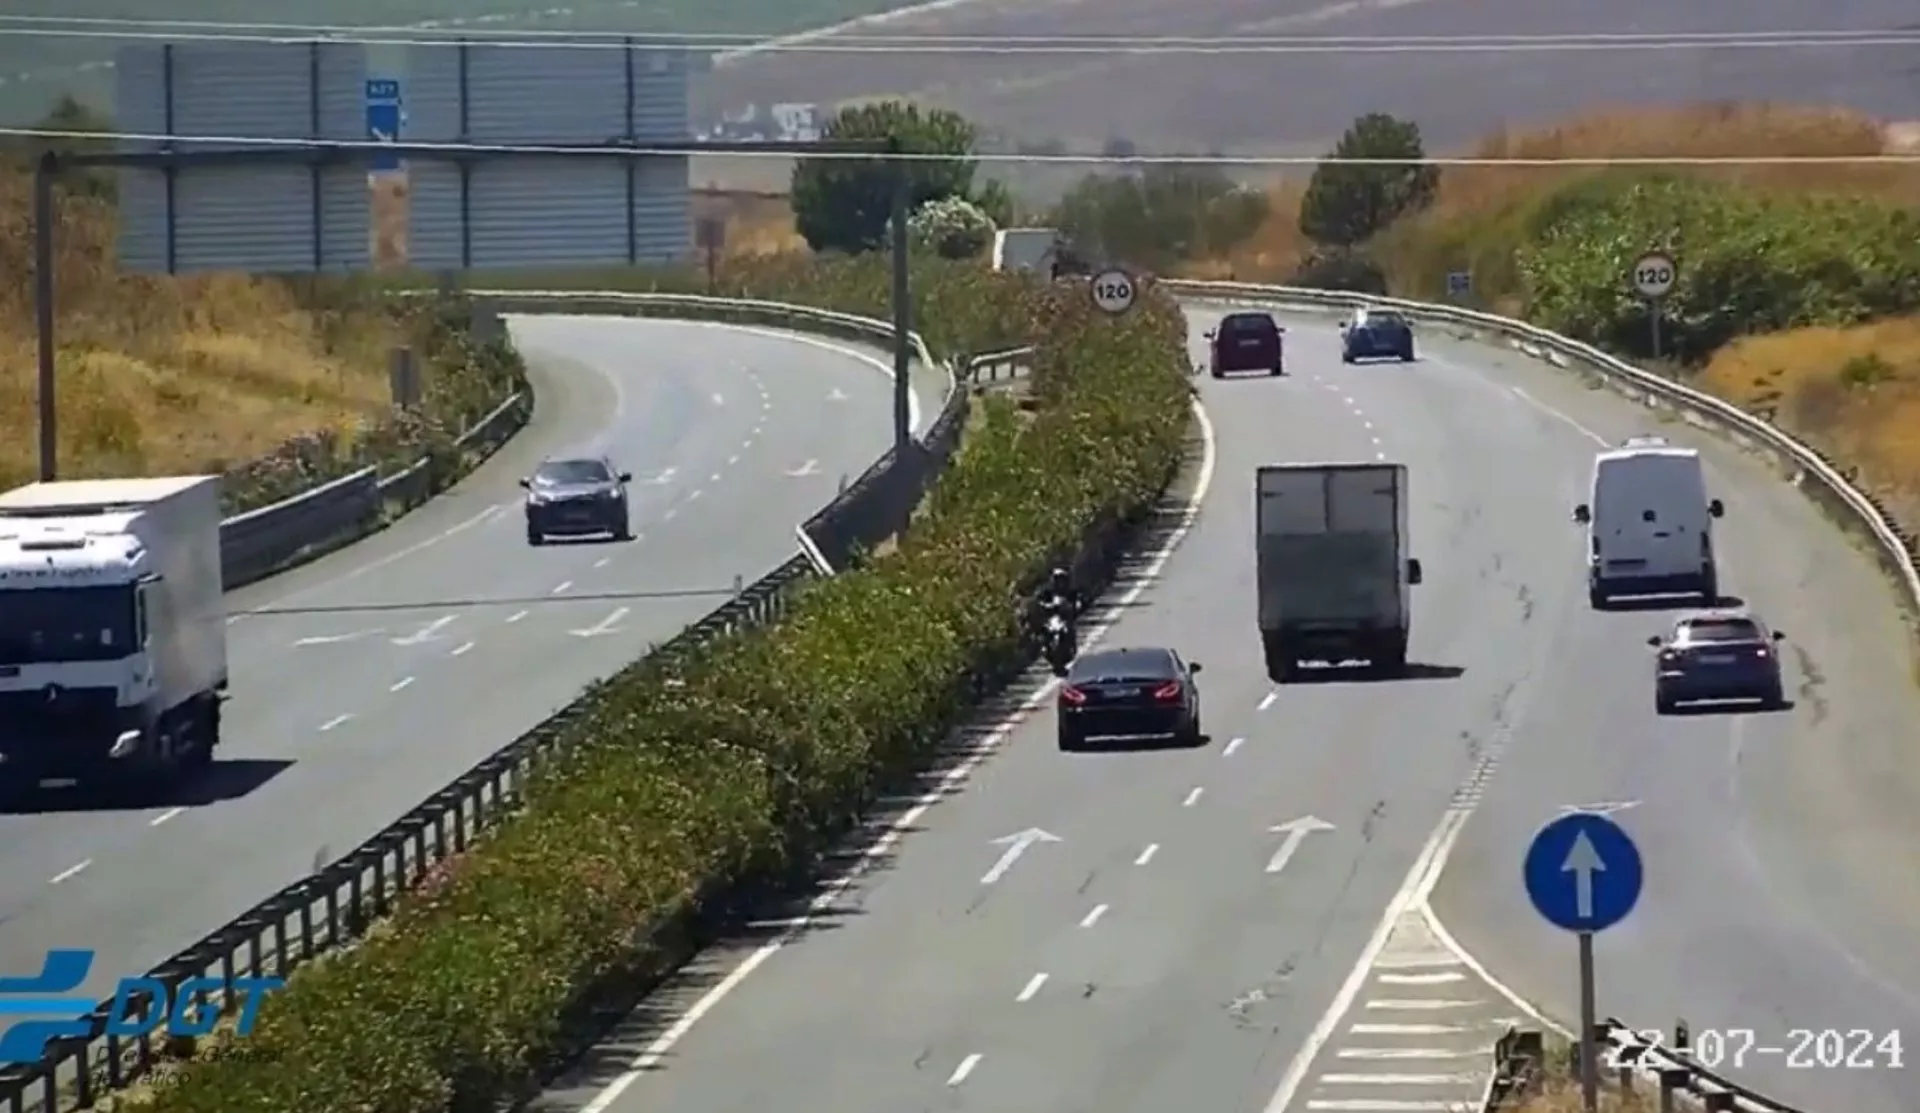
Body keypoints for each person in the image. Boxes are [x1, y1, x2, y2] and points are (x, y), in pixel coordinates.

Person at [1030, 567, 1083, 661]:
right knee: (1042, 631)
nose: (1060, 583)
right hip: (1052, 618)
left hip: (1065, 618)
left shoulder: (1070, 592)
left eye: (1062, 580)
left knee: (1070, 630)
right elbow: (1039, 601)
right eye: (1057, 580)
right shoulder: (1047, 593)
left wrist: (1076, 606)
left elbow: (1077, 601)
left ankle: (1069, 647)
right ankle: (1043, 648)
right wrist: (1042, 605)